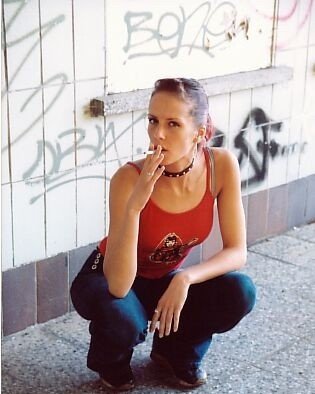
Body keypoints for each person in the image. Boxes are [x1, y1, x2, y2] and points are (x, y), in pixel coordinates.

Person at [70, 78, 256, 391]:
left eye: (173, 124)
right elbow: (118, 284)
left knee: (240, 291)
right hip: (107, 277)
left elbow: (237, 251)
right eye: (153, 121)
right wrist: (134, 207)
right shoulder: (128, 178)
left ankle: (176, 351)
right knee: (123, 318)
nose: (158, 134)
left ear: (197, 132)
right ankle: (111, 362)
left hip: (164, 277)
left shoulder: (221, 165)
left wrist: (184, 279)